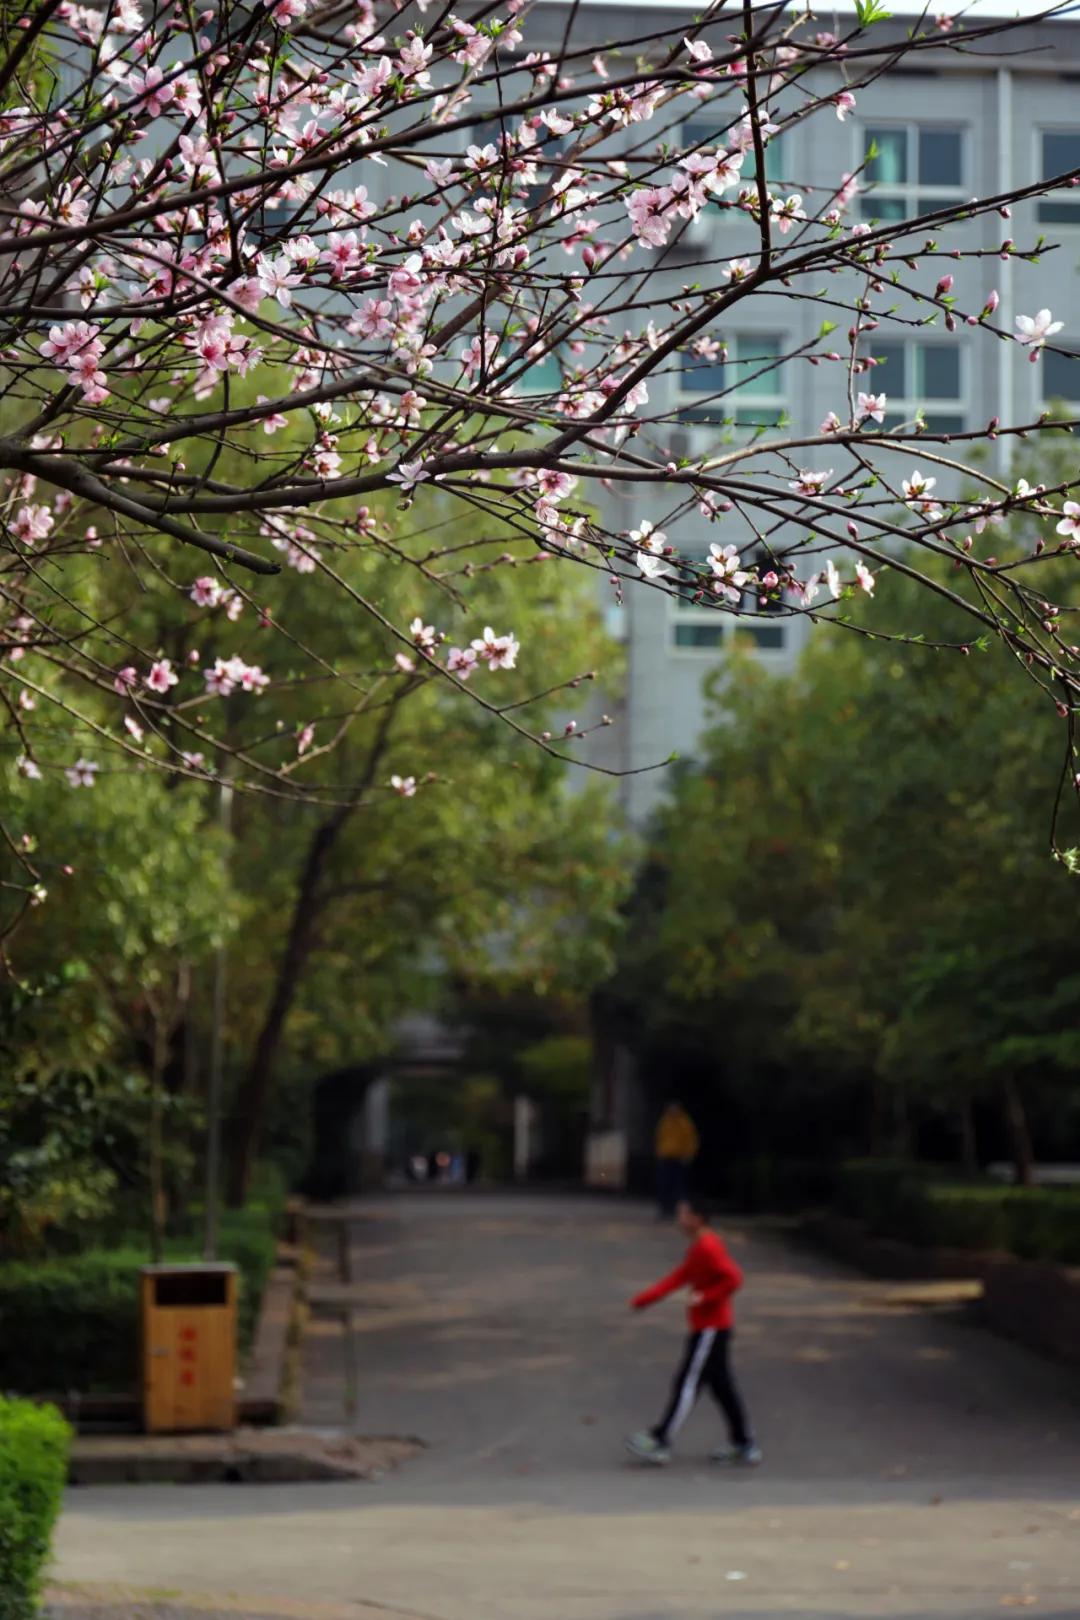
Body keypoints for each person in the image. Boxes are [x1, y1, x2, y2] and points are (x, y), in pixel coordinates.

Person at [625, 1194, 761, 1467]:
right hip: (710, 1328)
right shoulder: (699, 1246)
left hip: (711, 1329)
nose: (680, 1219)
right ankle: (743, 1443)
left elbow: (734, 1278)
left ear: (698, 1218)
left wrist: (705, 1298)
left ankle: (661, 1438)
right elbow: (680, 1276)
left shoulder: (709, 1246)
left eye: (684, 1214)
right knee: (722, 1388)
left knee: (687, 1383)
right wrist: (645, 1300)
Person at [654, 1100, 699, 1218]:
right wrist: (659, 1153)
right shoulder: (665, 1121)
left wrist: (688, 1155)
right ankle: (664, 1209)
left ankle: (676, 1210)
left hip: (678, 1157)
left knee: (678, 1186)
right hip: (665, 1156)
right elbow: (660, 1137)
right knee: (664, 1184)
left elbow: (691, 1140)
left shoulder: (684, 1122)